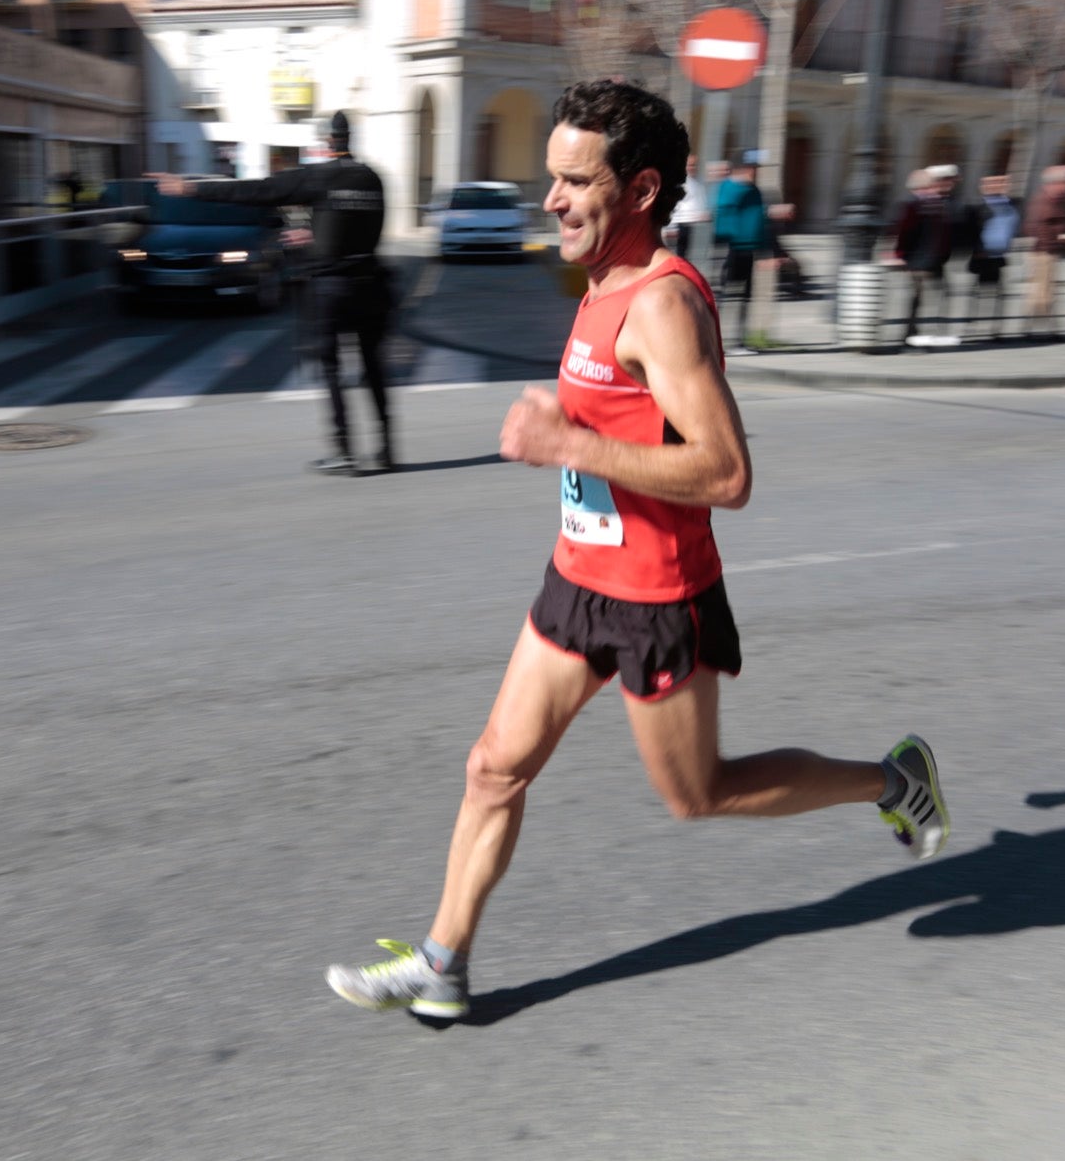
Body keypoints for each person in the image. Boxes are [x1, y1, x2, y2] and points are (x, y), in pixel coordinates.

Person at [322, 79, 950, 1022]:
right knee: (494, 766)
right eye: (552, 179)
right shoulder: (601, 280)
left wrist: (568, 443)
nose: (553, 200)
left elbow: (728, 474)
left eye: (576, 181)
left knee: (700, 793)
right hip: (577, 580)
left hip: (659, 598)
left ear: (643, 188)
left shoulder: (662, 307)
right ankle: (443, 960)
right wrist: (573, 436)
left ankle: (894, 779)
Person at [152, 111, 394, 475]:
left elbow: (257, 190)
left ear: (325, 143)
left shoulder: (317, 177)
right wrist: (316, 233)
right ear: (348, 140)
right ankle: (386, 448)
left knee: (331, 368)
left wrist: (190, 188)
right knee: (373, 367)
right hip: (371, 285)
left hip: (332, 289)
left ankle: (344, 450)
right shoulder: (373, 179)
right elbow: (357, 230)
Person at [892, 167, 958, 348]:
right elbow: (904, 232)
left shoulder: (932, 202)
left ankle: (913, 333)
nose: (936, 185)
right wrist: (900, 254)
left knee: (922, 298)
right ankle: (911, 335)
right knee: (920, 298)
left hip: (931, 259)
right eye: (932, 183)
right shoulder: (913, 203)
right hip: (920, 260)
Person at [711, 152, 768, 350]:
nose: (755, 172)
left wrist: (765, 250)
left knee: (744, 298)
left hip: (748, 250)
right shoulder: (728, 189)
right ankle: (718, 340)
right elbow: (722, 219)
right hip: (731, 249)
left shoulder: (753, 190)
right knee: (727, 296)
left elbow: (761, 220)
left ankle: (738, 340)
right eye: (752, 168)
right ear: (742, 168)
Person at [962, 173, 1022, 341]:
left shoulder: (1012, 205)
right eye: (995, 183)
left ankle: (994, 329)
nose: (1000, 186)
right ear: (984, 187)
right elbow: (969, 231)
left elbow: (1011, 227)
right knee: (978, 293)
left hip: (999, 255)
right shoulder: (977, 207)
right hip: (982, 255)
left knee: (998, 294)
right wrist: (977, 248)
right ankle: (973, 327)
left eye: (1003, 183)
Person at [1021, 164, 1065, 342]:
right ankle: (1038, 331)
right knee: (1042, 293)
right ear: (1057, 183)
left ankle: (1042, 330)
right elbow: (1035, 227)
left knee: (1046, 292)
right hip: (1044, 252)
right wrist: (1056, 242)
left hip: (1049, 250)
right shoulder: (1045, 200)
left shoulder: (1058, 199)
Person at [665, 153, 708, 260]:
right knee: (682, 255)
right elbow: (674, 205)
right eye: (690, 165)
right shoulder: (680, 182)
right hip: (684, 224)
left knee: (697, 257)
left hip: (699, 225)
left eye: (695, 165)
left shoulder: (701, 182)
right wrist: (671, 227)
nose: (693, 167)